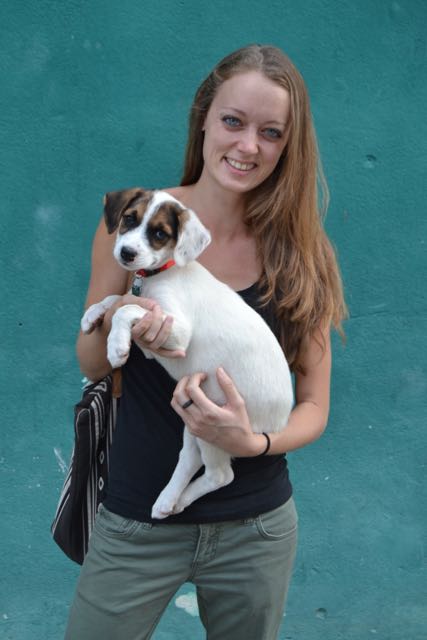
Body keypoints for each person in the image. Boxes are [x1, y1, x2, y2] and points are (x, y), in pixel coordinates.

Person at [65, 44, 346, 640]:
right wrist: (127, 316)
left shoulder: (302, 252)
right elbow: (93, 363)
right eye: (233, 121)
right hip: (138, 517)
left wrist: (253, 441)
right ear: (203, 119)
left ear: (288, 147)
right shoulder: (136, 221)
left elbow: (315, 406)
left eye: (270, 132)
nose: (248, 145)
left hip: (256, 526)